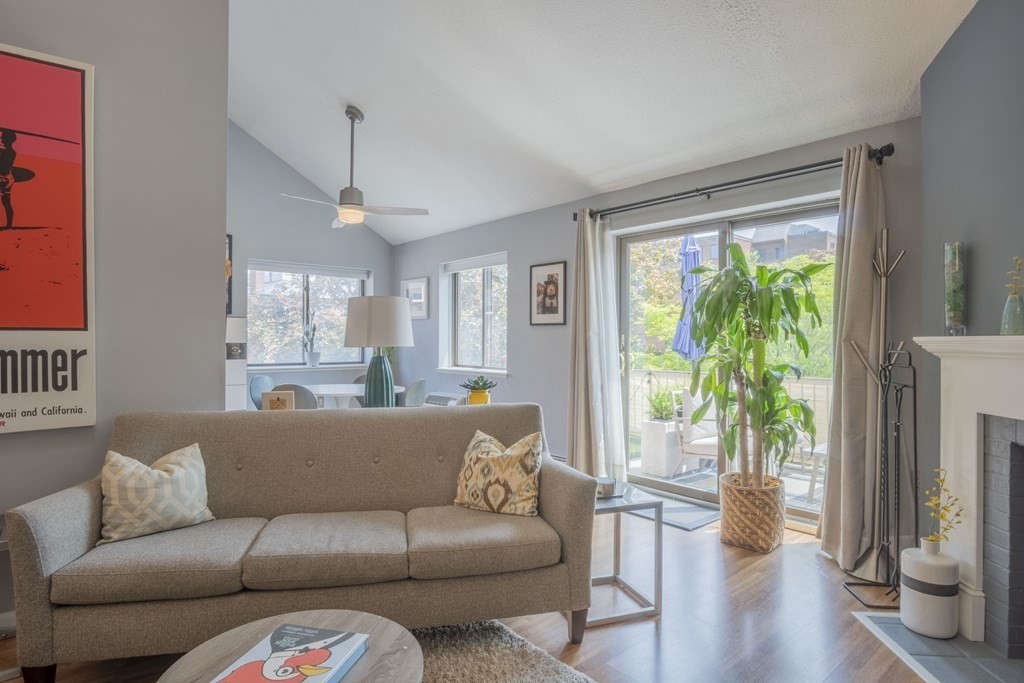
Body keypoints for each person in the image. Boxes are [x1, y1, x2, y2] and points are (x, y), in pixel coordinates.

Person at [0, 129, 17, 229]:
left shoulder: (7, 151)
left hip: (4, 178)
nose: (1, 138)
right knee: (6, 202)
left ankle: (9, 225)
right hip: (7, 178)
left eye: (3, 137)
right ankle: (9, 225)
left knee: (6, 202)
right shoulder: (10, 151)